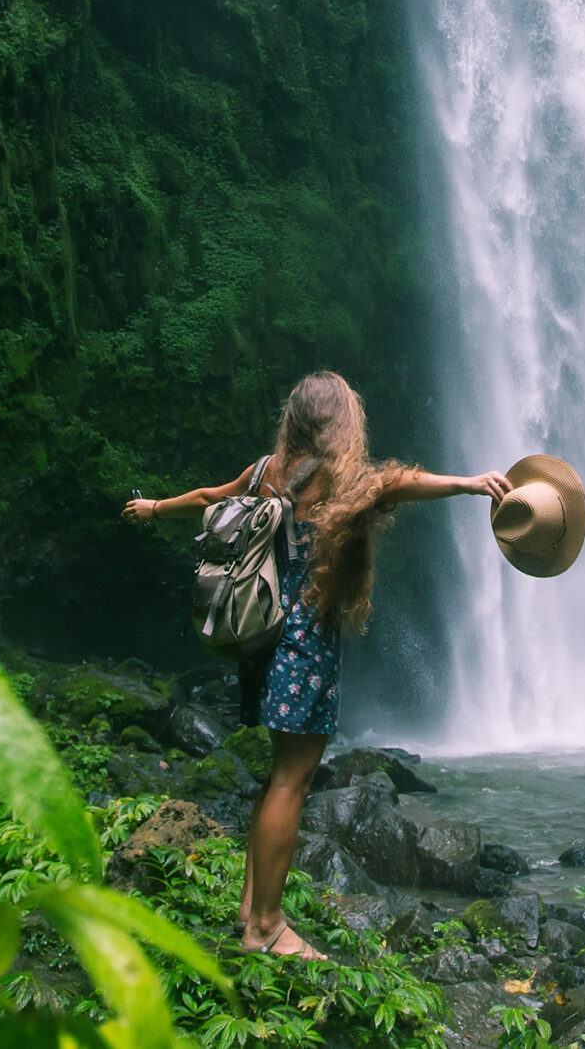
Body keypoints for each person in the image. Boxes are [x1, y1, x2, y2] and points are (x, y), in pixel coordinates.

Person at [121, 370, 508, 960]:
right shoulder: (341, 478)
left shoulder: (262, 472)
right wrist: (467, 483)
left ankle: (252, 912)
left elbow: (204, 501)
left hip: (262, 637)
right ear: (340, 422)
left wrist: (151, 508)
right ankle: (266, 927)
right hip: (304, 641)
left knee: (279, 778)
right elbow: (398, 483)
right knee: (291, 780)